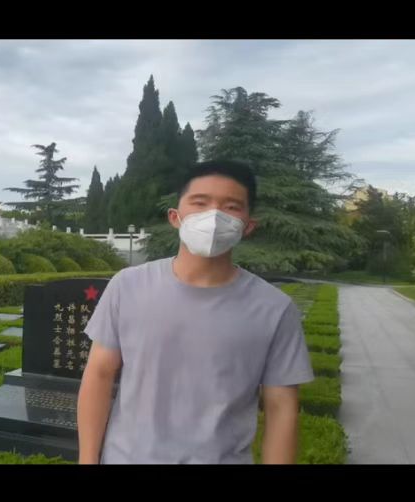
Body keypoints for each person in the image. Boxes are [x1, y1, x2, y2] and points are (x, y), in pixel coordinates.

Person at [77, 160, 314, 464]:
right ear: (175, 217)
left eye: (231, 206)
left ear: (248, 225)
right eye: (200, 203)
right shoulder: (128, 286)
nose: (213, 216)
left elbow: (281, 407)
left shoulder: (275, 309)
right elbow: (99, 374)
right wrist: (87, 459)